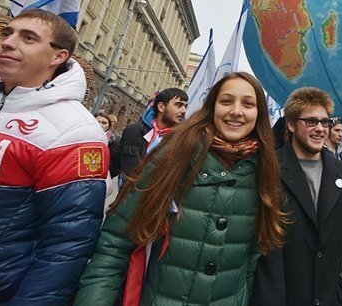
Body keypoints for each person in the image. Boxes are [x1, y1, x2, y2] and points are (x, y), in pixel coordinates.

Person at [74, 72, 286, 305]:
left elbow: (252, 262)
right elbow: (115, 245)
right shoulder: (174, 155)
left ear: (259, 114)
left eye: (248, 104)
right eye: (226, 101)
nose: (236, 111)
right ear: (211, 107)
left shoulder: (265, 171)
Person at [0, 9, 109, 303]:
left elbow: (66, 245)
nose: (8, 42)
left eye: (28, 38)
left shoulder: (76, 131)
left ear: (59, 56)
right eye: (7, 33)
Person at [252, 87, 342, 306]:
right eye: (311, 121)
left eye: (325, 122)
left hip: (329, 297)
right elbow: (266, 248)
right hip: (284, 295)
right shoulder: (269, 169)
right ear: (291, 124)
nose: (320, 129)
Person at [110, 87, 187, 180]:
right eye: (179, 105)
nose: (183, 111)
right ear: (161, 107)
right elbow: (113, 165)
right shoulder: (133, 131)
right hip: (126, 192)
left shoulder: (184, 140)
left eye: (185, 106)